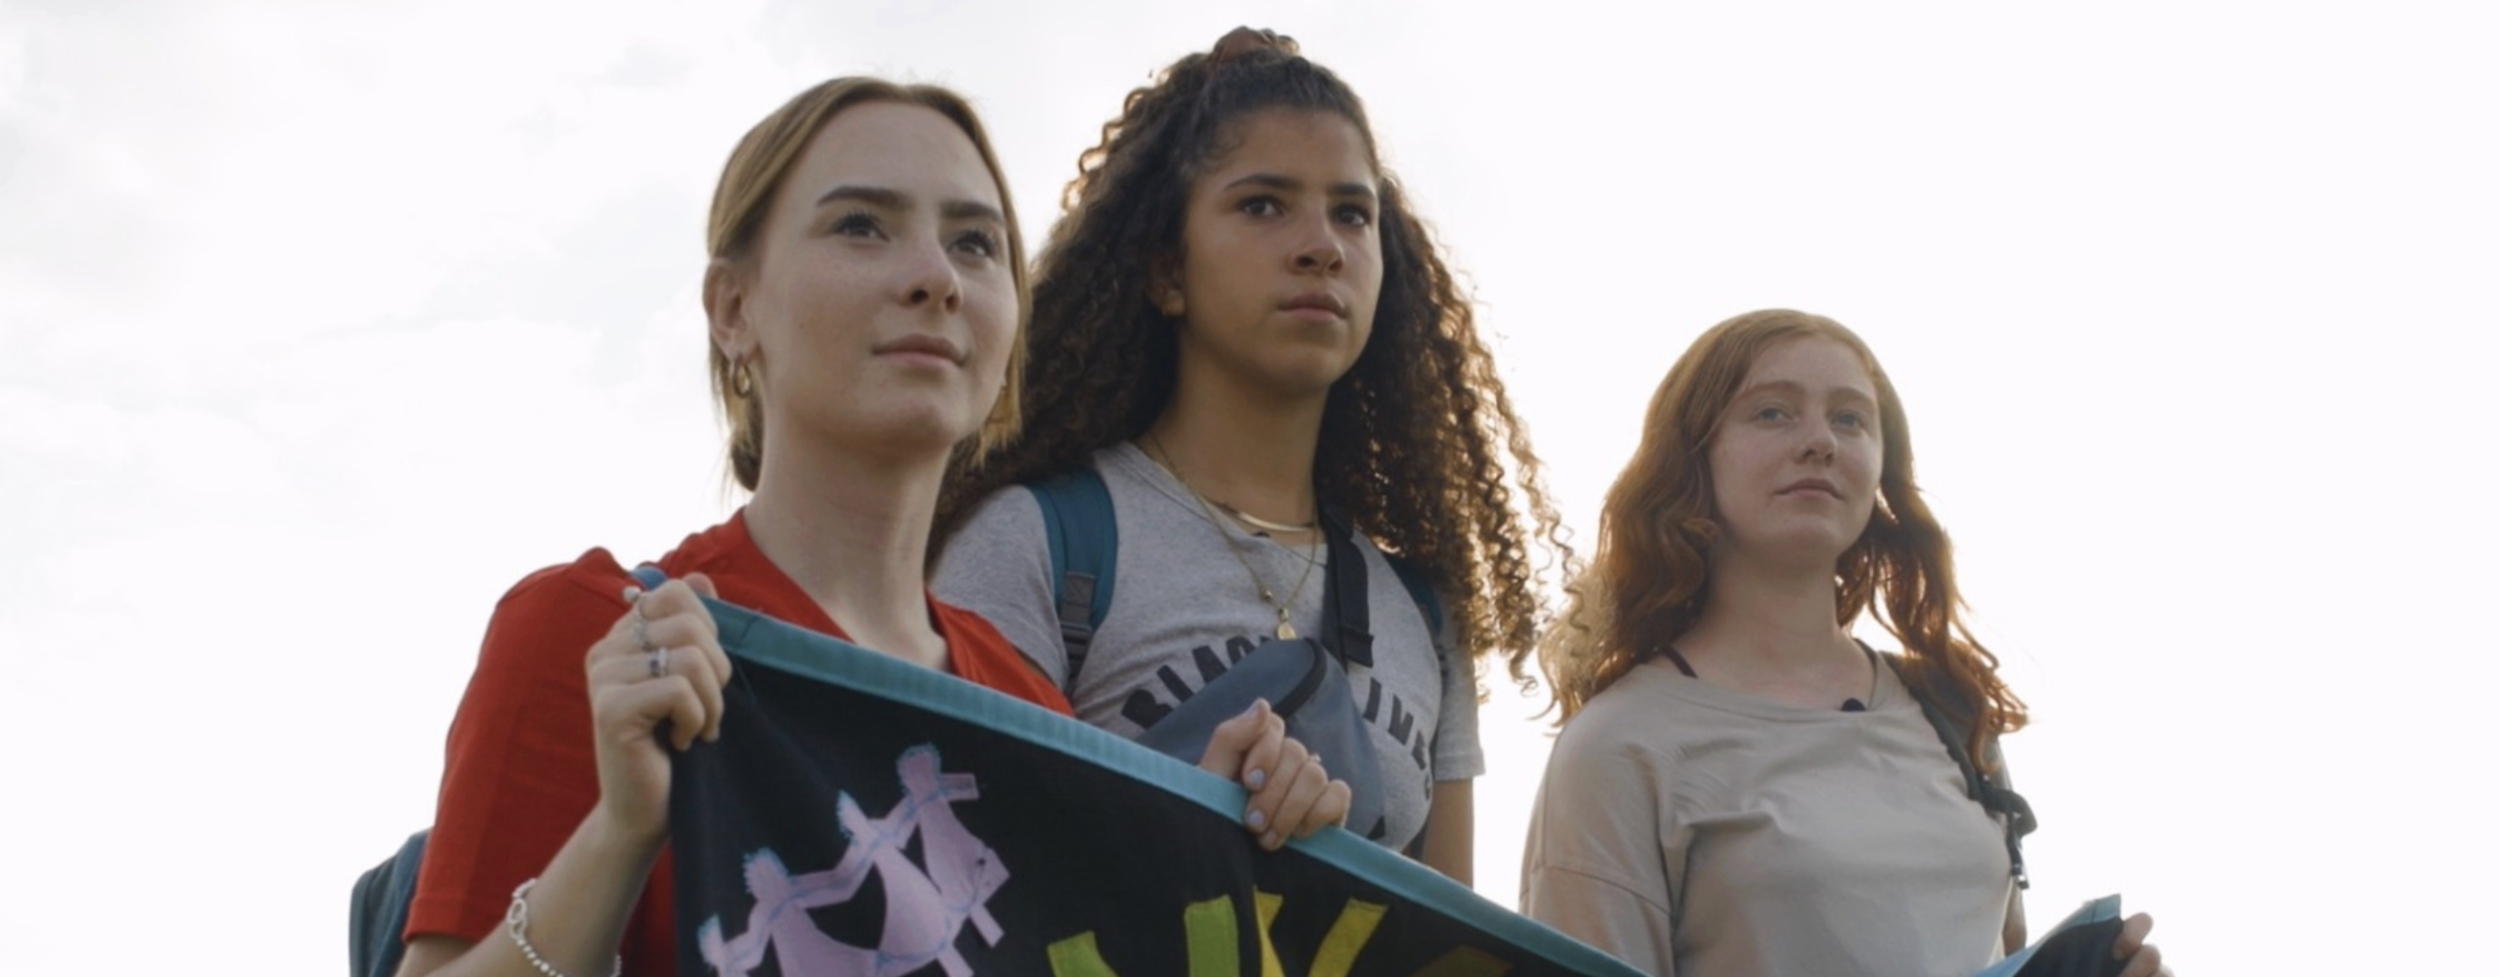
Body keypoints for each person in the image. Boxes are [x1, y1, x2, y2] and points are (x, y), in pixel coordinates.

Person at [395, 77, 1342, 977]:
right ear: (733, 308)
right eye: (861, 226)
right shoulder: (595, 631)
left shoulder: (1032, 716)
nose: (935, 276)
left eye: (975, 245)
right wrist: (619, 834)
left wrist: (1193, 836)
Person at [933, 27, 1565, 883]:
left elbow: (1448, 942)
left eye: (1352, 212)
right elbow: (952, 894)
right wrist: (1184, 832)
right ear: (1166, 271)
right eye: (1262, 204)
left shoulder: (1423, 612)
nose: (1321, 245)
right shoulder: (1039, 543)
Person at [1520, 309, 2169, 977]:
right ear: (1693, 456)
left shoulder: (1948, 707)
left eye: (1851, 418)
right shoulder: (1619, 745)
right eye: (1772, 412)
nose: (1820, 441)